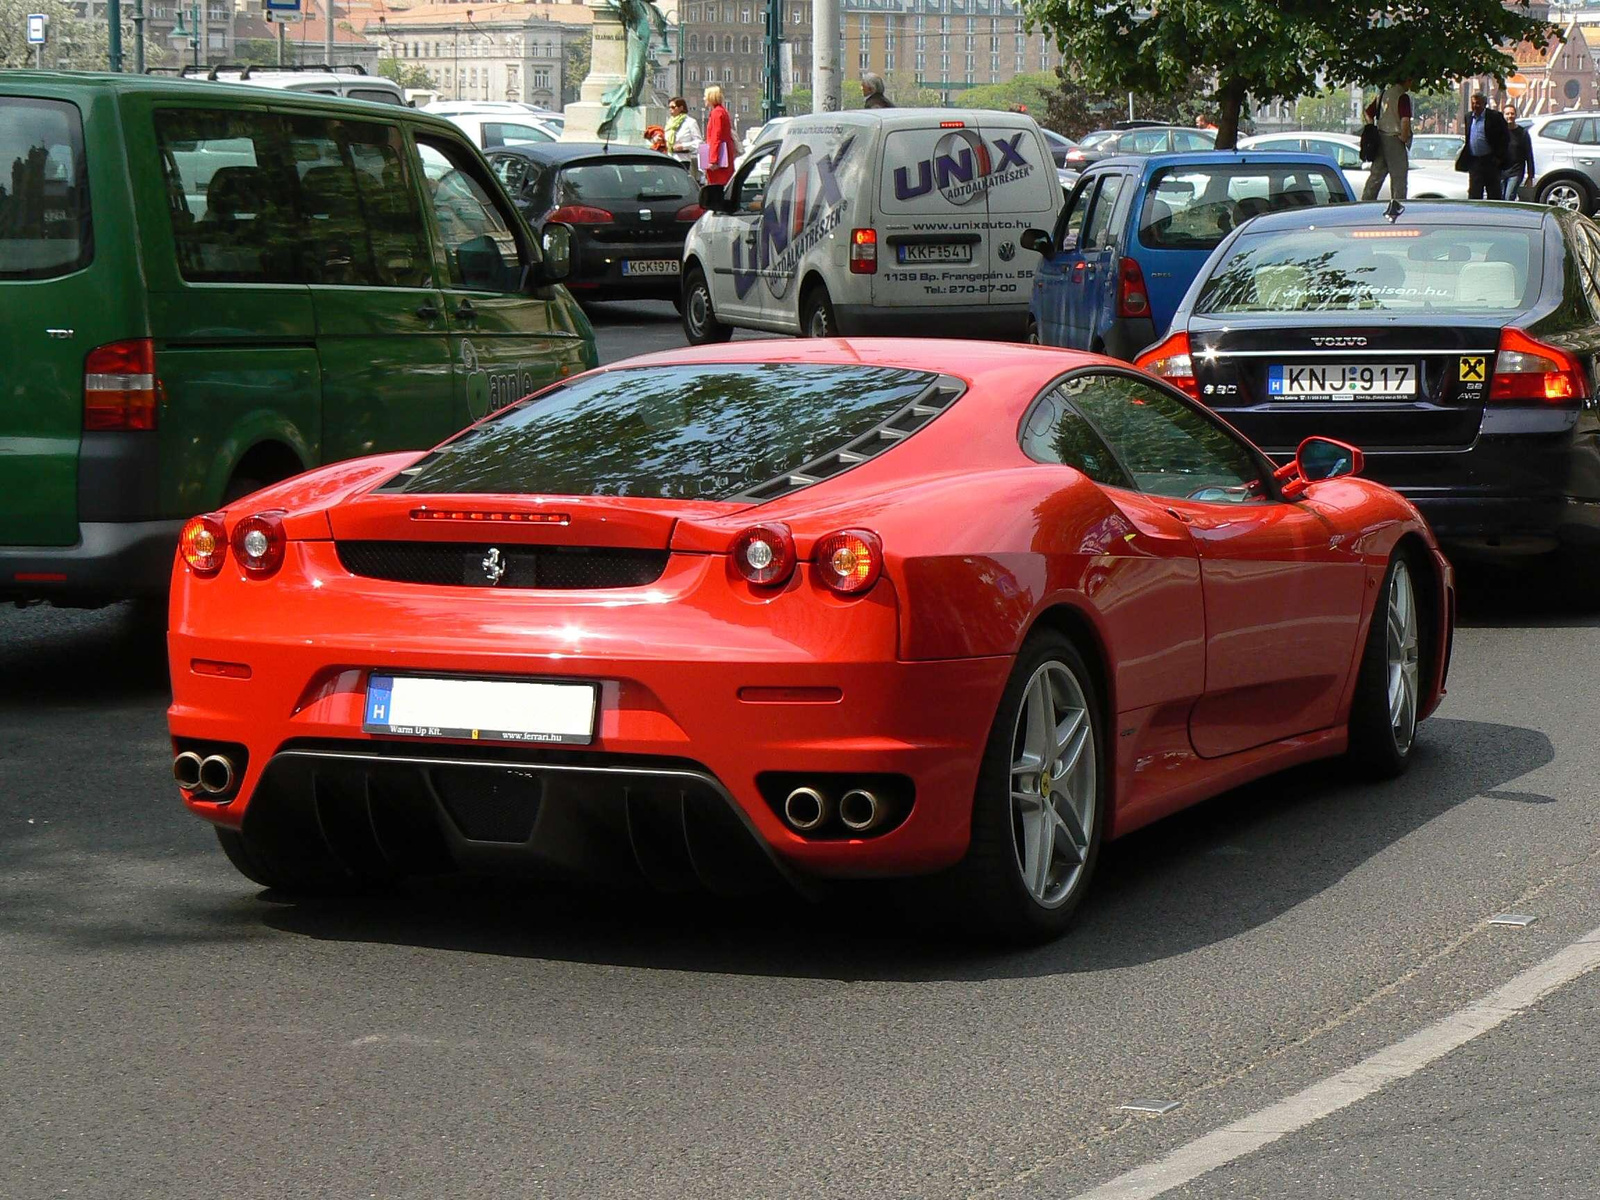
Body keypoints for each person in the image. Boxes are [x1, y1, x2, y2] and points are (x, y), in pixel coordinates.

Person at [1361, 79, 1414, 201]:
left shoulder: (1383, 95)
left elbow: (1368, 113)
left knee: (1375, 177)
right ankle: (1397, 206)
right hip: (1395, 139)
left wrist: (1372, 126)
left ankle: (1365, 203)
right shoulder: (1402, 97)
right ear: (1406, 80)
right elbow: (1405, 120)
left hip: (1380, 139)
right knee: (1399, 180)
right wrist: (1404, 137)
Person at [1461, 91, 1509, 201]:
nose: (1475, 106)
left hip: (1490, 161)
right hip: (1475, 162)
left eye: (1477, 103)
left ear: (1484, 104)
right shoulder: (1468, 117)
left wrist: (1498, 158)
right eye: (1473, 103)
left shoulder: (1495, 117)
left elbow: (1505, 138)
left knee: (1494, 194)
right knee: (1474, 194)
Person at [699, 85, 739, 192]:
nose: (704, 99)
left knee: (717, 186)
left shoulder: (717, 113)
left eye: (705, 96)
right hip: (722, 153)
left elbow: (716, 136)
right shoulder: (720, 111)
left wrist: (713, 160)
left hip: (719, 157)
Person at [1502, 103, 1536, 201]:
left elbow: (1529, 155)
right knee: (1499, 198)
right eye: (1507, 114)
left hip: (1515, 171)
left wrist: (1530, 176)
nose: (1510, 116)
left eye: (1512, 114)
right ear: (1503, 115)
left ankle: (1509, 216)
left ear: (1515, 115)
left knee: (1509, 197)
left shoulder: (1523, 133)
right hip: (1500, 172)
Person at [665, 96, 702, 181]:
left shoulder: (690, 122)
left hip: (682, 159)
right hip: (669, 158)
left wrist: (683, 146)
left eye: (673, 107)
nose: (671, 109)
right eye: (669, 107)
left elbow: (699, 142)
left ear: (681, 108)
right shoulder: (669, 122)